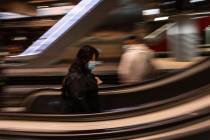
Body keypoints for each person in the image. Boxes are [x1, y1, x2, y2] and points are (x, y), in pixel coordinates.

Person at [61, 45, 101, 113]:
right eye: (92, 60)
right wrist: (91, 117)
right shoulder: (74, 77)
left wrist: (94, 81)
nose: (94, 63)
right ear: (84, 59)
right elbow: (79, 102)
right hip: (84, 118)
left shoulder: (85, 73)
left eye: (95, 60)